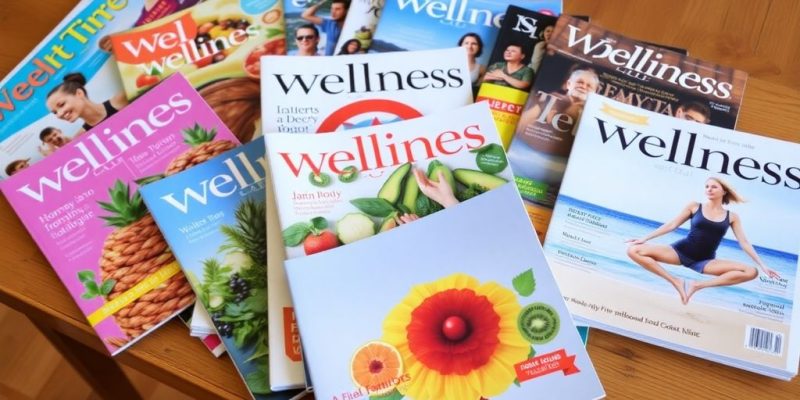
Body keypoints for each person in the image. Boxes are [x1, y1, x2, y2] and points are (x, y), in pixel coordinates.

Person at [626, 177, 780, 305]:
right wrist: (644, 238)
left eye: (714, 187)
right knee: (633, 250)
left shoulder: (732, 217)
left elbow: (744, 243)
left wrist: (763, 265)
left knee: (751, 272)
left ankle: (698, 285)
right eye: (707, 186)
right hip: (680, 252)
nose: (709, 189)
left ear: (724, 191)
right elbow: (672, 225)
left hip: (705, 261)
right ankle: (675, 281)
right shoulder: (694, 206)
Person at [517, 66, 600, 136]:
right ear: (568, 84)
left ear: (595, 92)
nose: (583, 87)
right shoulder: (550, 99)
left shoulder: (594, 113)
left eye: (589, 86)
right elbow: (522, 125)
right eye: (580, 82)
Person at [45, 72, 128, 134]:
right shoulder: (80, 137)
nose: (59, 114)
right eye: (55, 112)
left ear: (79, 93)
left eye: (62, 104)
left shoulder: (123, 99)